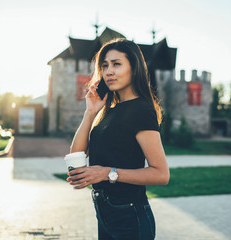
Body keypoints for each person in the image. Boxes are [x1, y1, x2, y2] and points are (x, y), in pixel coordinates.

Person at [67, 38, 170, 240]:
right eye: (104, 66)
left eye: (117, 64)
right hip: (105, 213)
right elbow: (76, 155)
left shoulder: (141, 110)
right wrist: (89, 113)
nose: (108, 72)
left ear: (134, 68)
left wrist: (107, 173)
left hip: (129, 217)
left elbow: (161, 174)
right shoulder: (108, 111)